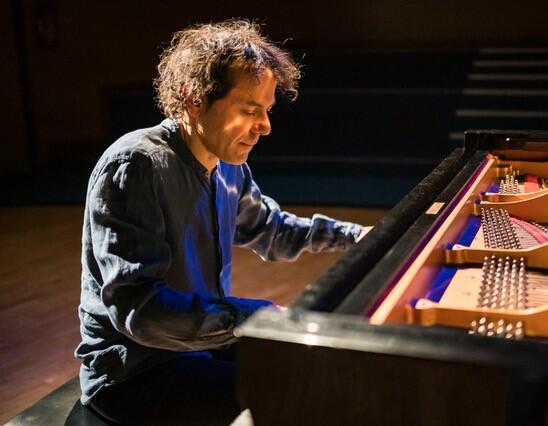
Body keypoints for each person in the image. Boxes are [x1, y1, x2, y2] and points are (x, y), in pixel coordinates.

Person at [75, 20, 367, 425]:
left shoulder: (228, 167)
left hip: (198, 347)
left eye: (267, 111)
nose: (265, 126)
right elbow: (141, 310)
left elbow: (272, 230)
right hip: (134, 374)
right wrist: (254, 316)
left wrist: (360, 237)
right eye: (250, 110)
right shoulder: (138, 166)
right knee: (292, 393)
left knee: (321, 365)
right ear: (194, 99)